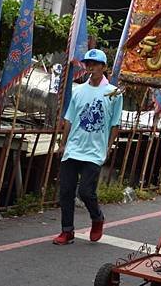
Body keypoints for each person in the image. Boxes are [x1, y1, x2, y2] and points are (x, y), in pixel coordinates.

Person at [53, 49, 123, 245]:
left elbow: (115, 124)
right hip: (74, 148)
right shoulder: (77, 91)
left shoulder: (113, 93)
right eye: (87, 63)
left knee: (85, 191)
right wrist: (63, 143)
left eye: (95, 63)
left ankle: (97, 217)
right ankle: (67, 231)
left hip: (94, 150)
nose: (90, 67)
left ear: (104, 67)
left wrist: (109, 147)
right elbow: (69, 119)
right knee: (66, 191)